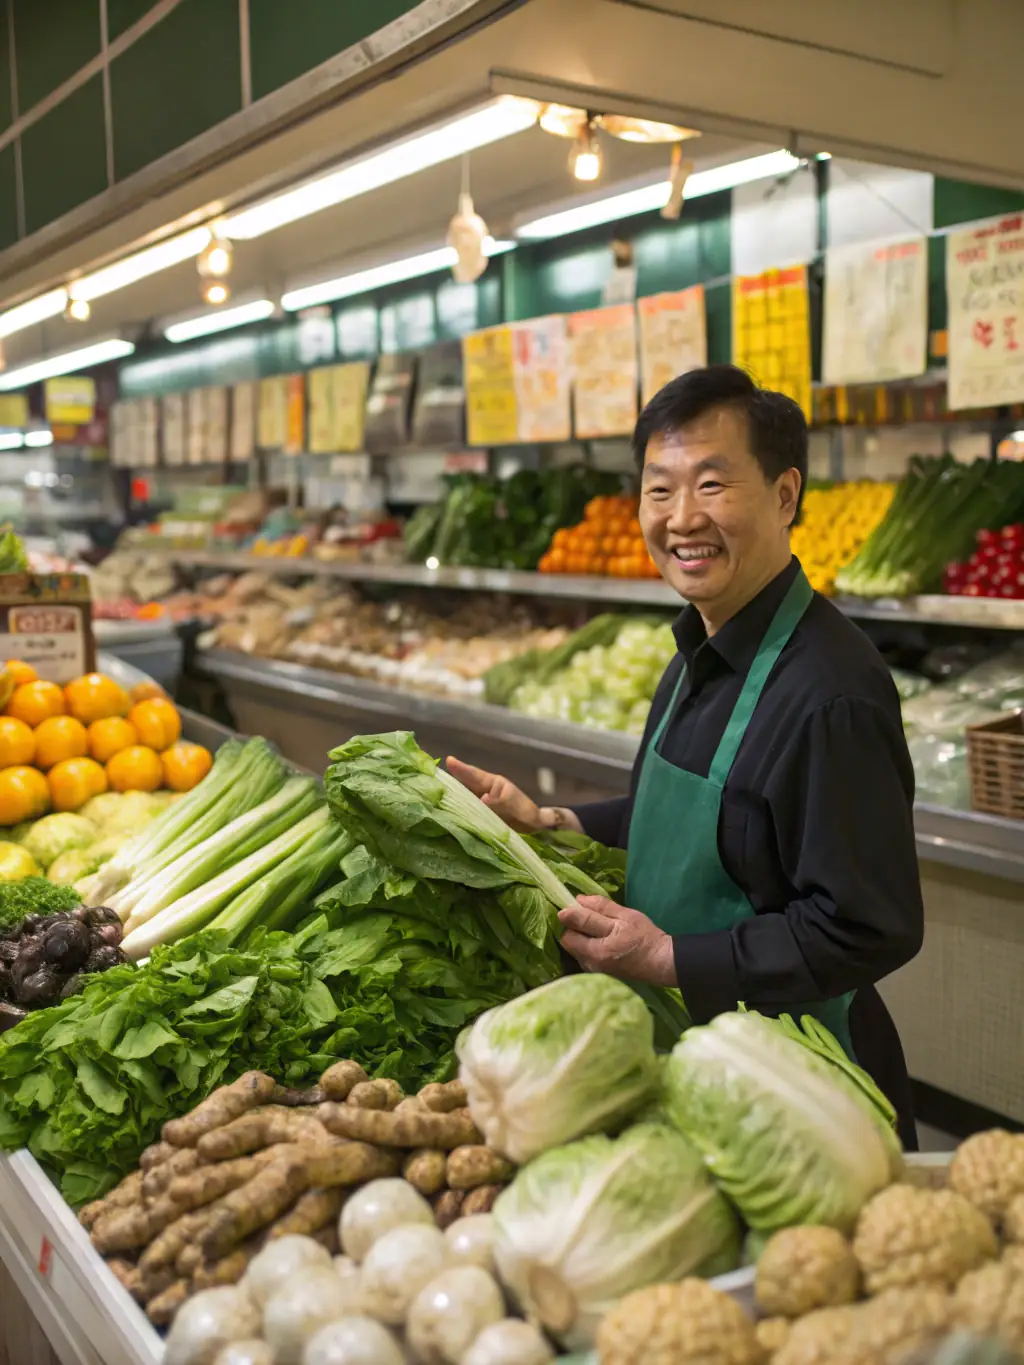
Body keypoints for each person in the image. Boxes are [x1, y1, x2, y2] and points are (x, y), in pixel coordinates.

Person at [448, 363, 923, 1148]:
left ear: (784, 494)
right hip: (696, 1065)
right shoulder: (696, 646)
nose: (680, 518)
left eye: (712, 485)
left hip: (802, 1094)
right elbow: (696, 820)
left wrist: (672, 956)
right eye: (659, 489)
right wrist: (552, 819)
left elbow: (870, 927)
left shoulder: (832, 693)